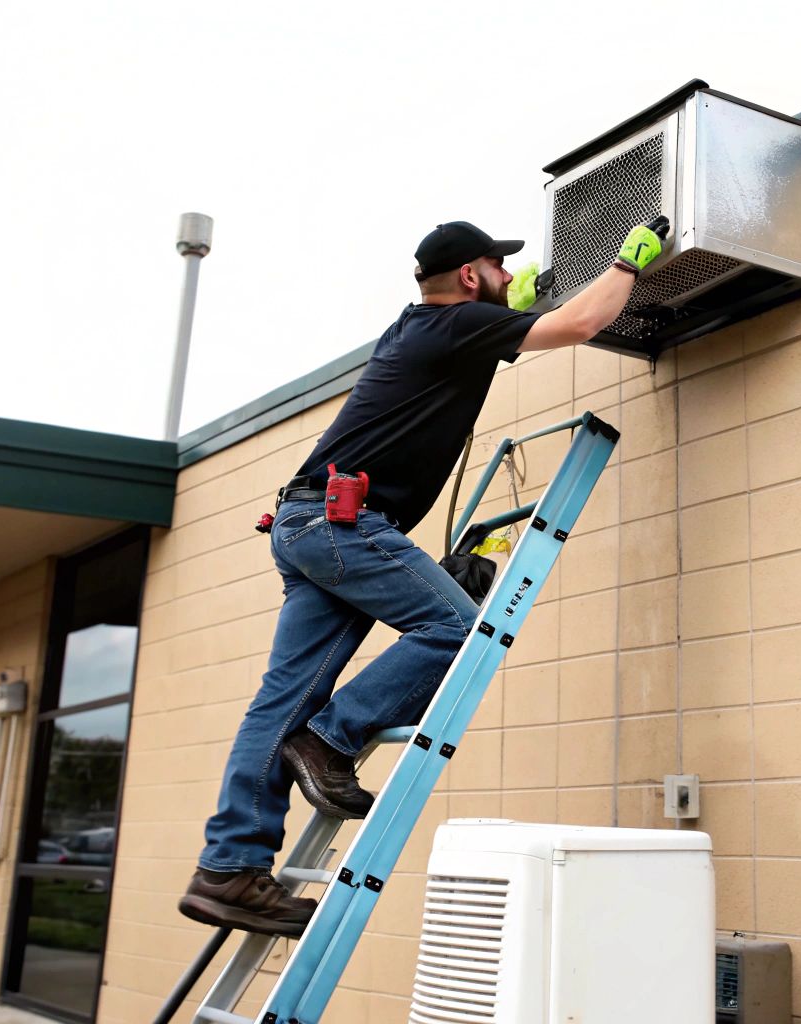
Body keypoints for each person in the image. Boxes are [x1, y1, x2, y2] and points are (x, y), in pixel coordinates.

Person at [177, 215, 670, 935]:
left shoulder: (424, 328)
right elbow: (581, 323)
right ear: (471, 277)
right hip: (341, 524)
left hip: (310, 525)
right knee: (457, 627)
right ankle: (330, 741)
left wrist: (515, 301)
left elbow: (505, 327)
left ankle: (228, 871)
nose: (507, 276)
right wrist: (628, 263)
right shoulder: (455, 327)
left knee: (280, 700)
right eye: (498, 269)